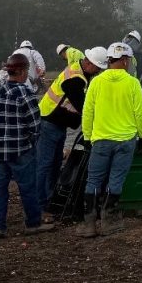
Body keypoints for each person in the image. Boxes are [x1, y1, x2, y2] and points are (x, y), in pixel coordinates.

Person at [78, 42, 142, 237]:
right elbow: (140, 114)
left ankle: (89, 224)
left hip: (100, 140)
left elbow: (87, 111)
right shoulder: (133, 83)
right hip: (126, 141)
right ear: (125, 61)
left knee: (93, 180)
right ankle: (109, 221)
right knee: (115, 180)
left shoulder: (96, 82)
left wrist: (87, 136)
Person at [0, 53, 51, 239]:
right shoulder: (25, 94)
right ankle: (33, 223)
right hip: (20, 149)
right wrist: (31, 143)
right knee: (27, 187)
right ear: (23, 71)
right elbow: (35, 125)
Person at [36, 46, 96, 214]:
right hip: (50, 121)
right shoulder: (76, 79)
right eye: (98, 68)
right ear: (89, 64)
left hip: (56, 121)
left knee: (54, 164)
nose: (98, 72)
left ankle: (49, 198)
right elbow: (83, 105)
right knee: (45, 164)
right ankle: (39, 204)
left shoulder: (77, 70)